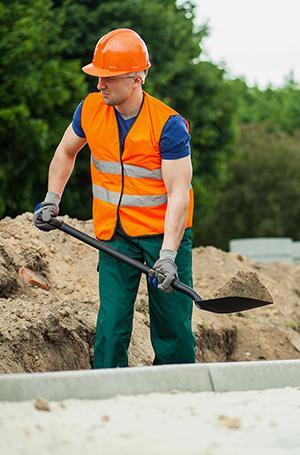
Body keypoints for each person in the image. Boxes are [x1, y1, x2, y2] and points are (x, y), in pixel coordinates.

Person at [33, 28, 196, 368]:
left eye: (108, 78)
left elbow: (179, 194)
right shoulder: (90, 109)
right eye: (98, 77)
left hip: (163, 237)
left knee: (172, 327)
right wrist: (51, 198)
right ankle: (105, 389)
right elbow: (65, 151)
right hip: (115, 236)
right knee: (111, 323)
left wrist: (168, 256)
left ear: (138, 78)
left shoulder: (168, 125)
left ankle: (180, 392)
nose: (99, 85)